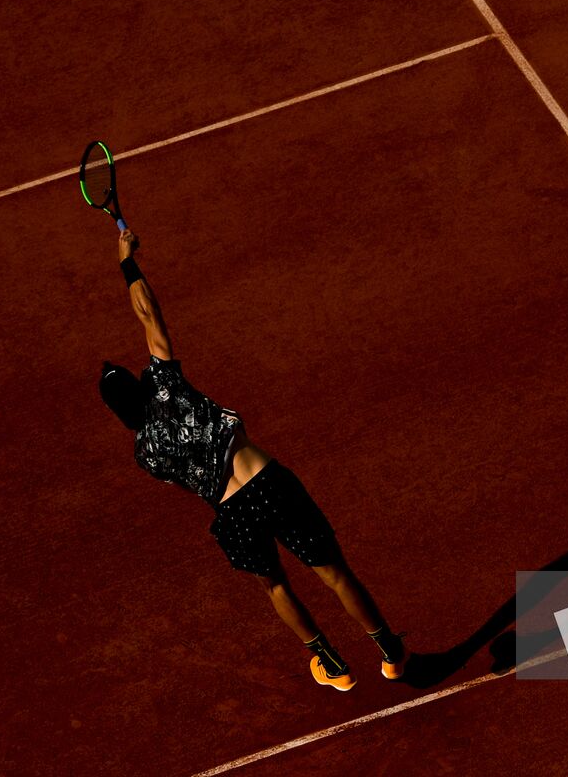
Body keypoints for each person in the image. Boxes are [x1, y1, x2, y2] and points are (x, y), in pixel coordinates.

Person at [98, 229, 407, 691]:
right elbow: (149, 314)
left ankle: (332, 666)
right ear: (138, 384)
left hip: (232, 514)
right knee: (334, 572)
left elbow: (191, 481)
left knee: (276, 586)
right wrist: (127, 262)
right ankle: (391, 653)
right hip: (268, 481)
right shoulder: (165, 384)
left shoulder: (146, 455)